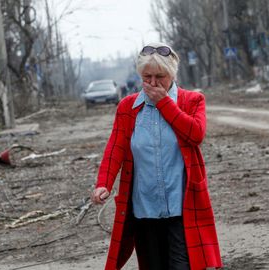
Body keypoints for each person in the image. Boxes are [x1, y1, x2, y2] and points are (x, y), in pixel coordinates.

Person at [91, 42, 222, 270]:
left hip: (182, 205)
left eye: (160, 76)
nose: (152, 83)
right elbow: (115, 148)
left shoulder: (192, 101)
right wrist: (104, 183)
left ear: (172, 73)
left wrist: (164, 103)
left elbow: (195, 134)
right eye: (147, 76)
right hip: (145, 207)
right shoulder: (127, 107)